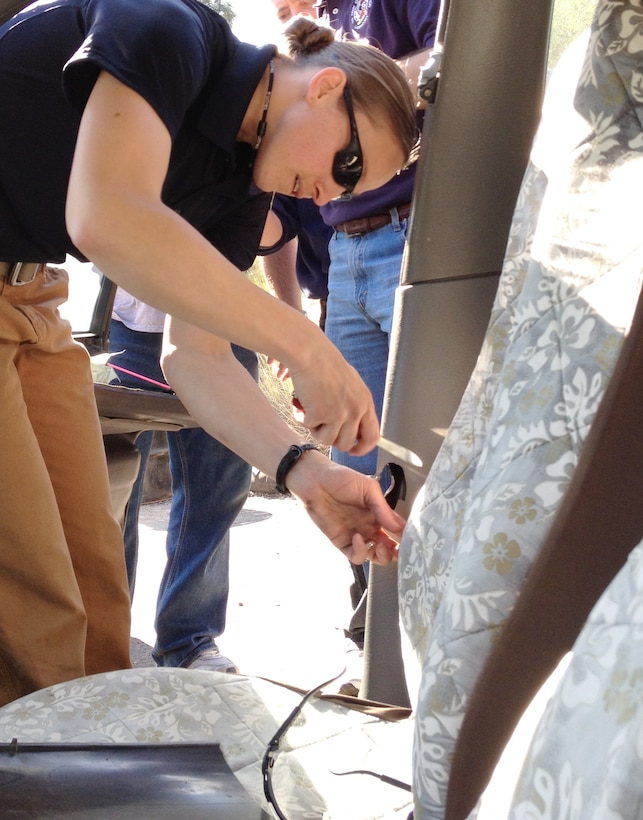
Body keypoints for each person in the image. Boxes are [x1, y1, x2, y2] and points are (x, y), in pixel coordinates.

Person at [0, 0, 412, 707]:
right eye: (346, 164)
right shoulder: (168, 26)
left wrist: (306, 472)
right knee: (34, 601)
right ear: (325, 86)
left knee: (95, 584)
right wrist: (304, 342)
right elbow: (105, 216)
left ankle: (86, 776)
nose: (325, 194)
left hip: (29, 298)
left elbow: (195, 359)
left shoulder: (237, 185)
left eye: (346, 188)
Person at [108, 290, 257, 672]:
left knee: (217, 489)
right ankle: (102, 635)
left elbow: (280, 236)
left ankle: (188, 640)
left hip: (222, 329)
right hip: (125, 328)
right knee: (112, 494)